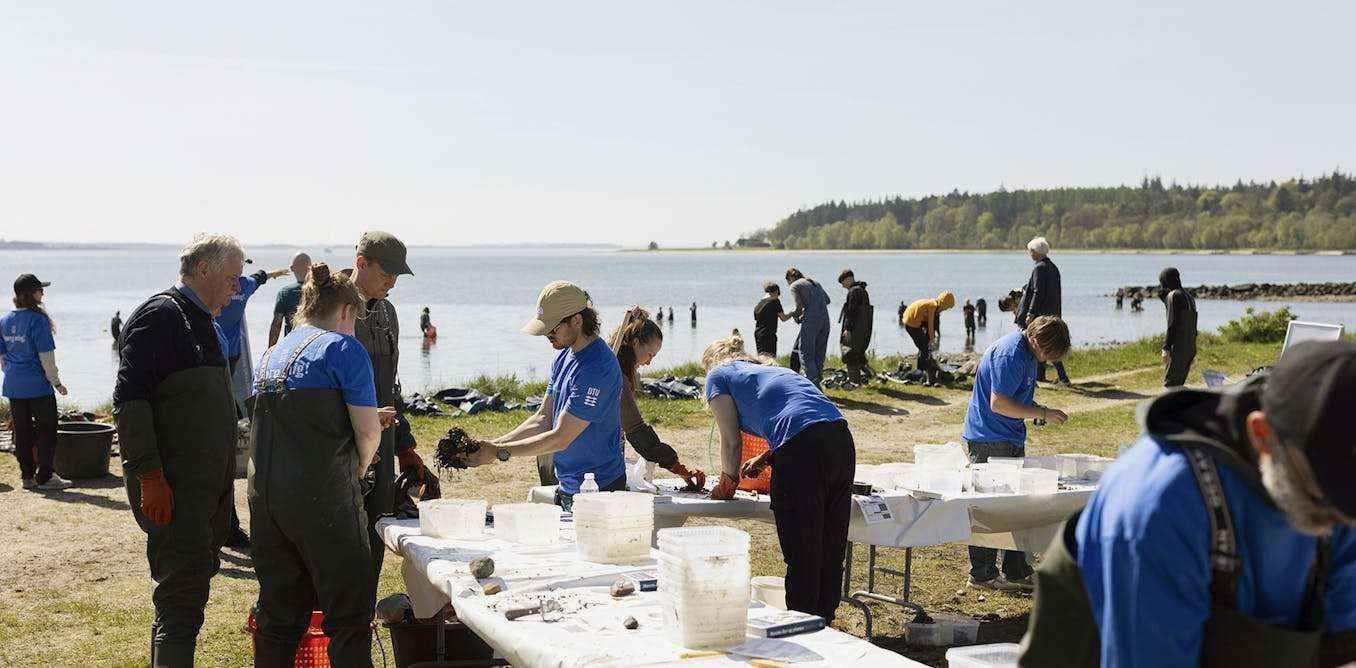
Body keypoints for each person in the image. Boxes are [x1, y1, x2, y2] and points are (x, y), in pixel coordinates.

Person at [1020, 341, 1356, 667]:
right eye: (1323, 500)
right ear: (1262, 435)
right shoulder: (1159, 505)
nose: (1341, 523)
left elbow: (1343, 641)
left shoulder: (1339, 501)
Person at [113, 234, 244, 666]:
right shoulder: (161, 316)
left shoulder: (202, 319)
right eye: (231, 279)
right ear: (203, 269)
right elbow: (130, 401)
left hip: (205, 491)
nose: (236, 289)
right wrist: (149, 475)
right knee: (181, 593)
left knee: (185, 590)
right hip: (175, 489)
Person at [248, 263, 381, 667]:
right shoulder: (343, 348)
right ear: (345, 311)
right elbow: (369, 433)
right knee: (348, 615)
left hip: (266, 499)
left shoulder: (271, 354)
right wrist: (357, 472)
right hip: (323, 498)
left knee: (279, 614)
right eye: (354, 320)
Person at [703, 333, 855, 623]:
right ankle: (826, 625)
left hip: (802, 450)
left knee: (803, 551)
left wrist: (728, 481)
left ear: (712, 362)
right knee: (830, 547)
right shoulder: (776, 371)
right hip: (840, 439)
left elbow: (731, 441)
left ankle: (803, 626)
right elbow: (806, 415)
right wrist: (768, 456)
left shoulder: (718, 375)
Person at [467, 281, 625, 512]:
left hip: (600, 489)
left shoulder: (597, 367)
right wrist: (493, 446)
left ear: (577, 320)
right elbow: (543, 419)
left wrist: (500, 453)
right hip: (568, 486)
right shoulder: (564, 356)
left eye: (552, 328)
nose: (547, 335)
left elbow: (561, 437)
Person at [962, 316, 1071, 591]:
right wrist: (1042, 412)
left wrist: (1036, 409)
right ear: (1035, 340)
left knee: (1017, 506)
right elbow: (999, 403)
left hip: (1009, 435)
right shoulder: (1011, 353)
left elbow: (1017, 397)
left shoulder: (1028, 355)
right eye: (1047, 353)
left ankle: (1017, 570)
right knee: (989, 507)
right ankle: (983, 575)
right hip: (989, 437)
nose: (1046, 359)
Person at [347, 231, 421, 586]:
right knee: (344, 537)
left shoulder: (388, 313)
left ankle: (361, 614)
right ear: (361, 264)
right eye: (385, 273)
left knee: (377, 530)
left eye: (396, 275)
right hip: (346, 442)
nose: (391, 281)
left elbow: (391, 384)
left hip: (384, 441)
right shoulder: (334, 309)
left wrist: (405, 447)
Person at [607, 307, 707, 488]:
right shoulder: (615, 374)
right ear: (635, 343)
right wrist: (676, 466)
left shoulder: (608, 360)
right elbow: (636, 429)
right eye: (650, 354)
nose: (649, 362)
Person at [2, 273, 72, 491]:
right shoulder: (38, 320)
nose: (43, 293)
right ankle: (46, 477)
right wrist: (56, 382)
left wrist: (13, 373)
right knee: (47, 431)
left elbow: (2, 358)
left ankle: (27, 476)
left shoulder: (4, 321)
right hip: (38, 386)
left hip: (14, 385)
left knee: (22, 432)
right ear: (31, 294)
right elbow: (46, 357)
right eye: (40, 290)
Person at [1014, 236, 1071, 386]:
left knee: (1037, 345)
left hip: (1040, 314)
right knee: (1049, 345)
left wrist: (1030, 313)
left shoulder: (1039, 268)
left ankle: (1060, 377)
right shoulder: (1053, 267)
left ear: (1036, 252)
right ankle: (1041, 376)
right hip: (1052, 313)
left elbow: (1037, 292)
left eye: (1031, 251)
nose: (1030, 254)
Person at [785, 267, 832, 387]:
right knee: (819, 353)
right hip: (825, 320)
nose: (789, 284)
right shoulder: (815, 283)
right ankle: (817, 380)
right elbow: (827, 300)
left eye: (788, 281)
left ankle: (812, 383)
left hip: (811, 320)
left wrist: (791, 314)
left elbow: (798, 309)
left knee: (805, 352)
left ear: (791, 278)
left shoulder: (795, 285)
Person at [902, 291, 956, 386]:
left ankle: (924, 368)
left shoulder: (934, 305)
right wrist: (931, 340)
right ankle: (920, 371)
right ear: (943, 303)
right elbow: (930, 325)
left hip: (917, 320)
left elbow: (932, 325)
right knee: (923, 347)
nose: (946, 309)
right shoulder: (932, 306)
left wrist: (931, 339)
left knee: (925, 346)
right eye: (947, 307)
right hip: (911, 322)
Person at [1159, 267, 1198, 388]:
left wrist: (1166, 348)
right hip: (1190, 346)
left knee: (1170, 384)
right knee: (1178, 383)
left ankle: (1188, 404)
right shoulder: (1189, 296)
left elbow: (1172, 324)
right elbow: (1192, 324)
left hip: (1178, 347)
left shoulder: (1173, 296)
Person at [837, 269, 875, 383]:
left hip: (854, 329)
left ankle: (854, 382)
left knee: (849, 353)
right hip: (864, 329)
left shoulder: (853, 291)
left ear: (849, 278)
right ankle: (871, 375)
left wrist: (847, 328)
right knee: (859, 353)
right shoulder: (863, 290)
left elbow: (851, 311)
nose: (843, 286)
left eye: (843, 283)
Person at [268, 251, 311, 347]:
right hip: (316, 345)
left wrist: (269, 351)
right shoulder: (322, 291)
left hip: (291, 348)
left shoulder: (285, 293)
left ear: (292, 269)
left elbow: (276, 325)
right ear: (310, 268)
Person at [753, 282, 791, 357]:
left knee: (761, 358)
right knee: (771, 359)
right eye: (778, 295)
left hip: (758, 334)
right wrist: (792, 313)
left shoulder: (758, 304)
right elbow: (783, 318)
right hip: (769, 334)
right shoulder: (775, 301)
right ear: (776, 291)